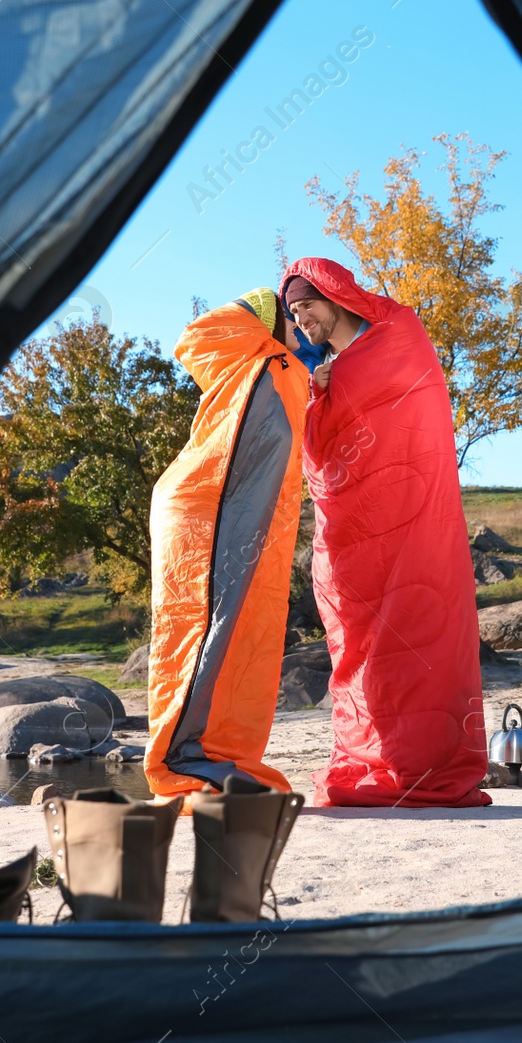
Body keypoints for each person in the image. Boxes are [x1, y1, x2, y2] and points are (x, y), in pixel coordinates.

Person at [282, 258, 490, 808]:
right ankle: (378, 758)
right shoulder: (322, 372)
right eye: (294, 315)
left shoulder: (399, 335)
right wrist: (313, 393)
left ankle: (424, 764)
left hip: (416, 523)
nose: (302, 322)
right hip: (354, 539)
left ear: (334, 297)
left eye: (307, 307)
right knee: (362, 646)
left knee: (423, 635)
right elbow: (317, 459)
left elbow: (414, 420)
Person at [143, 288, 310, 801]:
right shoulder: (263, 366)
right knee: (203, 635)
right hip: (206, 514)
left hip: (208, 510)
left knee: (240, 638)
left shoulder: (261, 370)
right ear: (264, 323)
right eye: (290, 317)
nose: (300, 329)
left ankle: (219, 755)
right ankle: (183, 761)